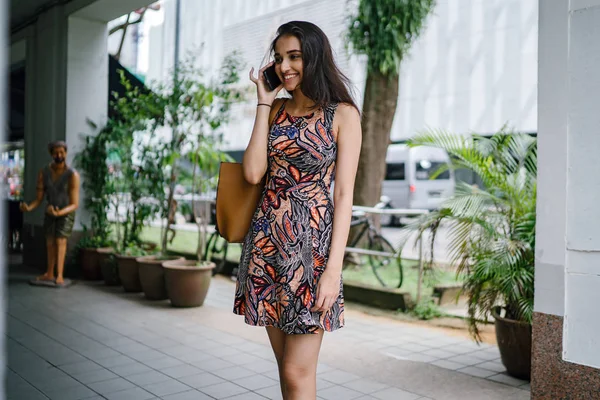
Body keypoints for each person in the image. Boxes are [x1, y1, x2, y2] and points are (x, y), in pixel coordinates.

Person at [233, 21, 362, 399]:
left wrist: (333, 271)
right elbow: (254, 172)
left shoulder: (342, 114)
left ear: (314, 58)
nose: (284, 66)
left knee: (296, 372)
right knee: (287, 373)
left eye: (294, 57)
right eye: (279, 58)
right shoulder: (275, 112)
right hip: (266, 251)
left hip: (312, 258)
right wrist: (263, 101)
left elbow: (344, 196)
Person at [20, 141, 80, 285]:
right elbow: (39, 198)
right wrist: (29, 208)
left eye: (62, 152)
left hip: (65, 212)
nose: (59, 155)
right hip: (50, 210)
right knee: (49, 242)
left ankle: (59, 274)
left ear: (65, 153)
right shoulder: (44, 172)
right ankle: (49, 272)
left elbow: (74, 204)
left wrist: (60, 213)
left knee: (60, 241)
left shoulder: (72, 174)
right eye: (56, 152)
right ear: (51, 154)